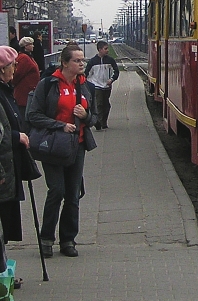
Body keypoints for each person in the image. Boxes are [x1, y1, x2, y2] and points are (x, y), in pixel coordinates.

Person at [26, 44, 98, 258]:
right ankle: (46, 238)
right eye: (77, 61)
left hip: (77, 146)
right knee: (56, 190)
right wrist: (60, 125)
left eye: (83, 60)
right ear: (65, 63)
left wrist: (85, 116)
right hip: (54, 146)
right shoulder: (48, 85)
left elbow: (94, 117)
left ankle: (68, 240)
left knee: (73, 195)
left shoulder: (86, 87)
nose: (81, 64)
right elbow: (33, 115)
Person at [0, 46, 29, 286]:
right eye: (12, 66)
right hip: (2, 173)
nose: (15, 70)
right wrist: (16, 136)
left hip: (8, 170)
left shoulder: (5, 91)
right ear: (2, 69)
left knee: (3, 228)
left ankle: (4, 277)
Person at [84, 40, 119, 130]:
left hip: (107, 86)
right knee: (99, 104)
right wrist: (90, 84)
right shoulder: (92, 62)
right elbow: (87, 73)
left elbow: (116, 71)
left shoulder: (110, 61)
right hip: (96, 86)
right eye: (105, 48)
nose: (107, 50)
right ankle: (98, 122)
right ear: (100, 50)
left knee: (106, 105)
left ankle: (104, 122)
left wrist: (111, 79)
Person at [13, 36, 39, 115]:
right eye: (31, 44)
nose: (33, 46)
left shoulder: (28, 56)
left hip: (28, 92)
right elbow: (17, 74)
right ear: (26, 46)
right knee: (24, 116)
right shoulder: (24, 58)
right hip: (24, 94)